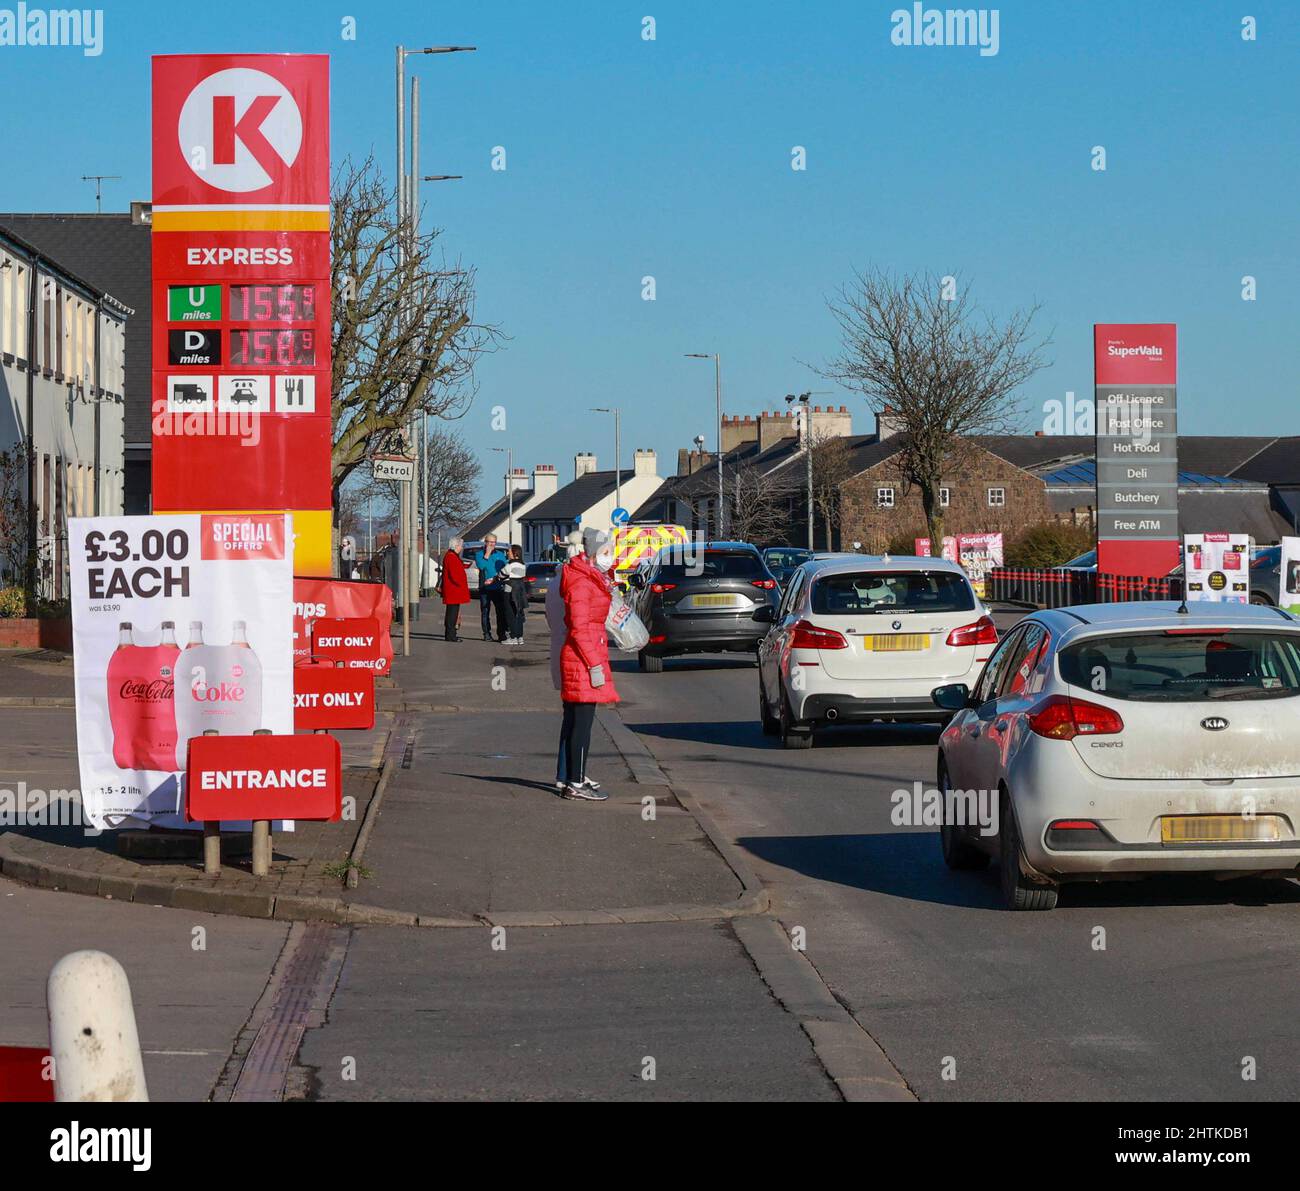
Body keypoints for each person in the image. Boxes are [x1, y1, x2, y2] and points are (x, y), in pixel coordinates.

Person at [553, 528, 618, 800]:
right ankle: (575, 782)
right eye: (606, 552)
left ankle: (570, 776)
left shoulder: (586, 577)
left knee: (574, 721)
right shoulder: (582, 583)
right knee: (581, 723)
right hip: (583, 659)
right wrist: (594, 665)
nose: (610, 557)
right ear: (592, 553)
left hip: (583, 655)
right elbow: (579, 627)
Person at [471, 533, 508, 642]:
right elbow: (481, 566)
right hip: (485, 588)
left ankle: (501, 634)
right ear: (485, 542)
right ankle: (487, 633)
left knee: (500, 612)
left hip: (498, 586)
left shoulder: (500, 554)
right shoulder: (479, 554)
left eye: (493, 542)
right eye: (489, 542)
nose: (491, 544)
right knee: (485, 611)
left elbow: (505, 569)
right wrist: (486, 554)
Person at [438, 537, 470, 642]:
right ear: (456, 546)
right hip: (454, 590)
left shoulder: (450, 556)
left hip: (452, 590)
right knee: (452, 614)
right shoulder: (451, 557)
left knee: (452, 613)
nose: (461, 548)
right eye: (461, 546)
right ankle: (451, 635)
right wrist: (462, 583)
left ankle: (451, 634)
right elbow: (455, 575)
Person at [501, 544, 528, 645]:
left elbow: (501, 575)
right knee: (519, 614)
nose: (508, 553)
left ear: (514, 553)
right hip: (520, 592)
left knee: (510, 614)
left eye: (509, 551)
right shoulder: (523, 565)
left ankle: (512, 637)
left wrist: (497, 578)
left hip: (510, 591)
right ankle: (520, 637)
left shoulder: (510, 565)